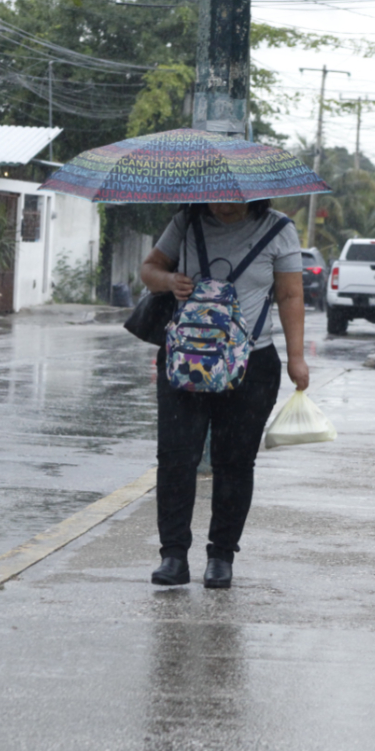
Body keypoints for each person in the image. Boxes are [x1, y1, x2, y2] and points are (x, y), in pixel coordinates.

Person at [138, 199, 307, 589]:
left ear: (253, 194)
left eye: (234, 196)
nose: (223, 203)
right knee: (176, 457)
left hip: (252, 363)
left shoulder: (279, 230)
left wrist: (297, 358)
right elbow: (149, 269)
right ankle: (173, 556)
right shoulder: (186, 221)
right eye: (216, 194)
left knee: (235, 462)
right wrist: (168, 281)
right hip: (186, 360)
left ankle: (221, 556)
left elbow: (290, 296)